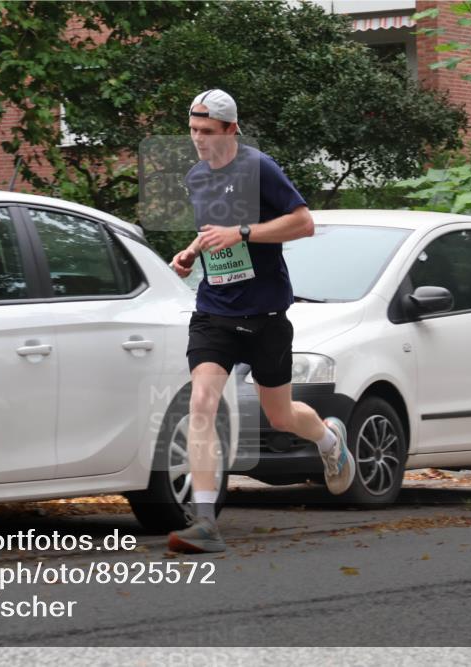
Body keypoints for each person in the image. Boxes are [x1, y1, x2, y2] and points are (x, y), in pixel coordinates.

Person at [166, 89, 356, 554]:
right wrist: (193, 252)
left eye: (207, 132)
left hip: (266, 312)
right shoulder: (196, 176)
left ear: (231, 130)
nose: (199, 141)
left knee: (281, 415)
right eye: (193, 131)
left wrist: (244, 231)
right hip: (214, 311)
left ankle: (329, 439)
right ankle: (205, 520)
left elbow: (303, 223)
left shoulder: (260, 169)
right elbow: (214, 232)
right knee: (202, 403)